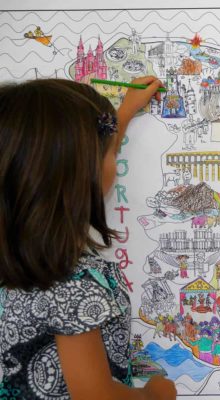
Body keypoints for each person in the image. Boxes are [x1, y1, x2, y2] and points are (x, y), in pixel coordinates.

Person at [0, 77, 176, 400]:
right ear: (80, 174)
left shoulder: (17, 254)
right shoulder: (71, 286)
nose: (115, 163)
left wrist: (123, 112)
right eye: (109, 154)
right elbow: (97, 396)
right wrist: (155, 395)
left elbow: (84, 161)